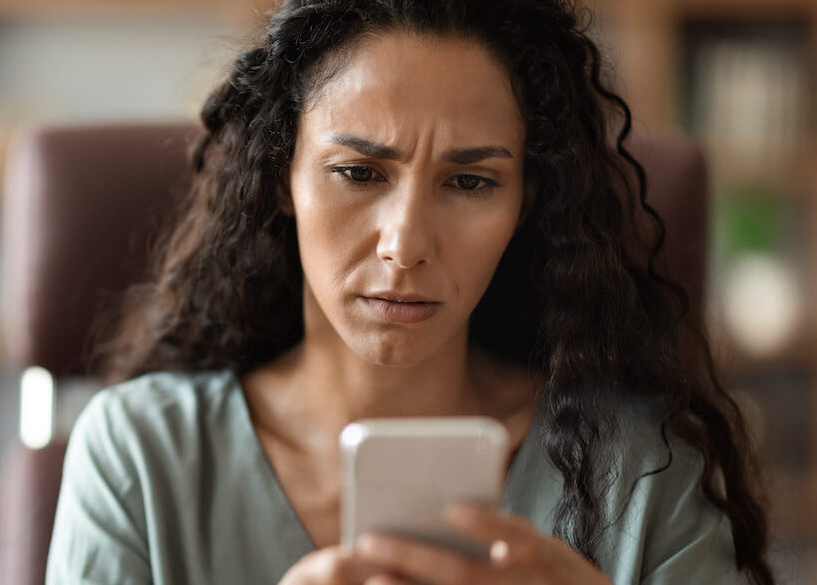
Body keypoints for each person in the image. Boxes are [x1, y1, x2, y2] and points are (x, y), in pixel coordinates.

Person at [46, 0, 774, 584]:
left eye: (470, 182)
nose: (406, 243)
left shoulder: (646, 471)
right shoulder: (139, 454)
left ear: (527, 203)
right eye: (360, 173)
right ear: (280, 177)